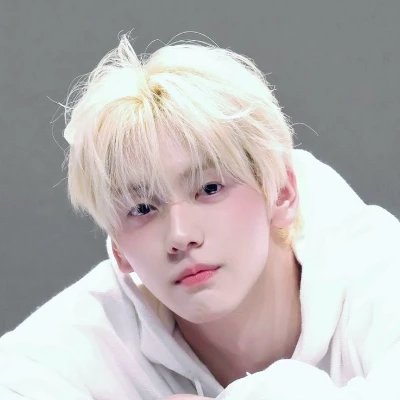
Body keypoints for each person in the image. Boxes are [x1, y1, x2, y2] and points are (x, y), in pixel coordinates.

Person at [1, 33, 400, 400]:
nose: (180, 235)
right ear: (119, 248)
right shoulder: (82, 339)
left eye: (210, 188)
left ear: (282, 192)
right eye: (142, 209)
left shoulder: (378, 271)